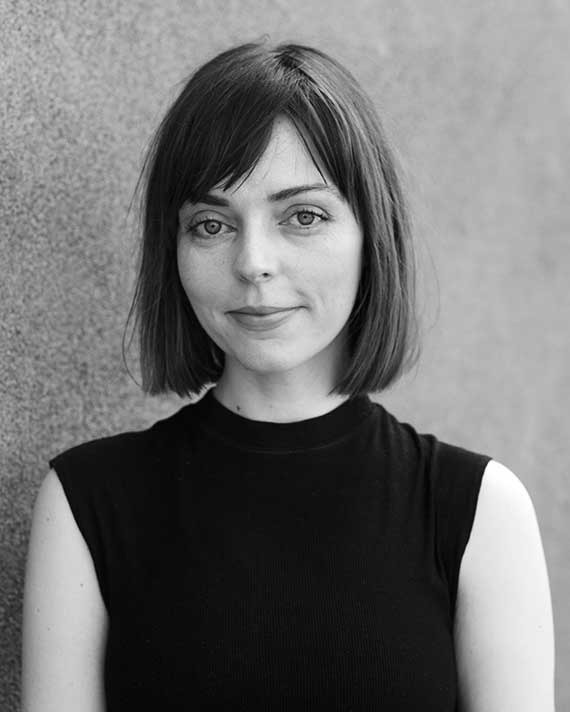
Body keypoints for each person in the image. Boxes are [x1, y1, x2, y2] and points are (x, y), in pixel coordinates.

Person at [21, 41, 555, 711]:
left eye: (302, 216)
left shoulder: (478, 509)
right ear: (174, 248)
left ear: (372, 236)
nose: (253, 263)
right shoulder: (86, 502)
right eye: (211, 224)